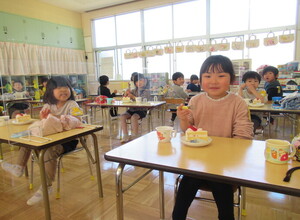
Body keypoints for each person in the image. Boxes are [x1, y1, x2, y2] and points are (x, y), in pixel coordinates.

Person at [173, 55, 253, 220]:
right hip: (198, 161)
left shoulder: (238, 103)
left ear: (232, 79)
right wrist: (183, 118)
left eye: (221, 76)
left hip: (225, 163)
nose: (214, 81)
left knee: (220, 184)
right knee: (187, 183)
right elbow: (188, 131)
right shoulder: (195, 100)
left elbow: (243, 139)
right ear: (201, 79)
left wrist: (220, 158)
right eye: (208, 76)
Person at [1, 76, 82, 206]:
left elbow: (77, 119)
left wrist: (53, 117)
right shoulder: (48, 105)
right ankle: (19, 167)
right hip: (48, 136)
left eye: (66, 87)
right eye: (58, 88)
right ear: (50, 91)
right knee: (29, 138)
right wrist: (44, 118)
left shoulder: (72, 104)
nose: (63, 90)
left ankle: (46, 186)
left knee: (48, 151)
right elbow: (44, 122)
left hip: (67, 141)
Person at [120, 73, 150, 143]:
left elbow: (142, 100)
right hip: (132, 109)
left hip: (142, 110)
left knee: (134, 117)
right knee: (122, 116)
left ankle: (135, 136)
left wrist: (133, 97)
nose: (138, 83)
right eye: (136, 82)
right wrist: (126, 94)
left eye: (141, 80)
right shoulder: (134, 90)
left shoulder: (147, 91)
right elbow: (126, 97)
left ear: (145, 81)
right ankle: (125, 135)